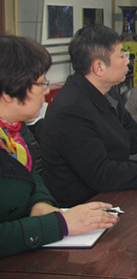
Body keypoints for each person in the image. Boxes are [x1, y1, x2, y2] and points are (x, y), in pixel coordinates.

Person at [40, 25, 137, 207]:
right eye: (121, 56)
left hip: (113, 191)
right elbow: (102, 174)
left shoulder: (107, 93)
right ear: (99, 67)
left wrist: (111, 145)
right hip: (85, 205)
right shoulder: (72, 109)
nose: (127, 61)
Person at [0, 35, 117, 257]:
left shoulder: (15, 129)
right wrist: (58, 224)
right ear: (7, 93)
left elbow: (31, 176)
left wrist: (40, 203)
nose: (46, 90)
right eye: (40, 83)